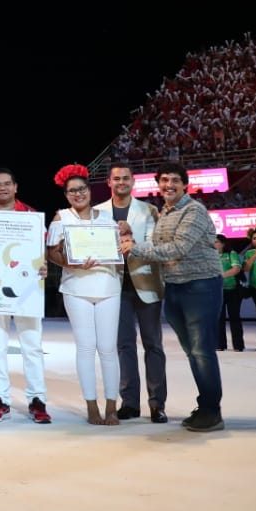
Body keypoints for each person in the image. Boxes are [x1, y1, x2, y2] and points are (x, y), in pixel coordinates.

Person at [117, 161, 225, 432]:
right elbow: (158, 244)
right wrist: (133, 239)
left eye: (175, 180)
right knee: (192, 351)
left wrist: (135, 248)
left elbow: (177, 248)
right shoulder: (165, 212)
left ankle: (212, 411)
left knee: (201, 351)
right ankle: (205, 406)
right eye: (164, 180)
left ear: (185, 184)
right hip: (175, 286)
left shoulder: (194, 210)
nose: (169, 185)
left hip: (201, 286)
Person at [46, 164, 122, 426]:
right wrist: (72, 264)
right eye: (71, 191)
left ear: (89, 190)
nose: (78, 194)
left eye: (82, 189)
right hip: (77, 289)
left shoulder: (106, 217)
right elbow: (51, 252)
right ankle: (91, 405)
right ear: (65, 195)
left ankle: (112, 405)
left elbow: (119, 247)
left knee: (109, 348)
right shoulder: (61, 217)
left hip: (108, 287)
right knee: (86, 348)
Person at [0, 168, 51, 424]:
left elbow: (42, 250)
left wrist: (44, 265)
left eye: (8, 184)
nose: (3, 188)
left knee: (32, 346)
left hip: (27, 289)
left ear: (16, 187)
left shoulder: (30, 215)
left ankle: (37, 399)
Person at [97, 162, 165, 424]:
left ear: (133, 182)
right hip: (114, 286)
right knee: (124, 346)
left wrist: (130, 236)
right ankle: (130, 403)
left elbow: (155, 243)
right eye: (117, 179)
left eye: (126, 178)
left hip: (146, 283)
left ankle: (157, 404)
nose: (121, 182)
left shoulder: (148, 210)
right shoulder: (97, 212)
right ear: (109, 182)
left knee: (153, 345)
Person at [216, 235, 246, 352]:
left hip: (233, 290)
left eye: (217, 242)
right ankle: (219, 344)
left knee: (234, 317)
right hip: (217, 291)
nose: (214, 244)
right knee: (218, 318)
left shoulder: (231, 254)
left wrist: (220, 276)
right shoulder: (211, 256)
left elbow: (236, 269)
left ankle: (238, 345)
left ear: (223, 243)